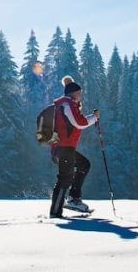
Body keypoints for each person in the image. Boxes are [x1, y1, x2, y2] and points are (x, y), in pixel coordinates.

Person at [49, 75, 100, 217]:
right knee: (64, 179)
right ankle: (55, 213)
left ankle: (73, 199)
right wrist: (94, 118)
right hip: (63, 148)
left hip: (64, 147)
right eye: (79, 92)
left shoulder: (68, 105)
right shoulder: (67, 105)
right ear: (74, 93)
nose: (81, 95)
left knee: (84, 165)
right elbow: (80, 123)